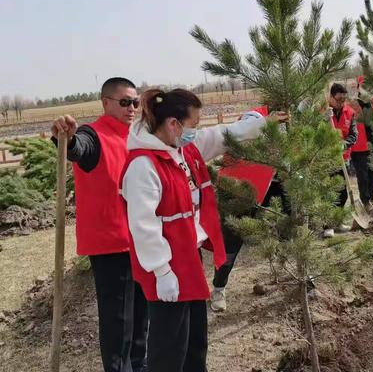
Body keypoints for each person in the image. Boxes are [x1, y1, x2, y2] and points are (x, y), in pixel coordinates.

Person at [120, 88, 287, 372]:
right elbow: (143, 226)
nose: (196, 131)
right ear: (174, 124)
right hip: (166, 268)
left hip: (188, 259)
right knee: (169, 348)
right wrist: (162, 272)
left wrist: (263, 123)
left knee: (195, 341)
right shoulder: (144, 166)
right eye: (193, 125)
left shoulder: (182, 149)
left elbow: (222, 134)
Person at [51, 77, 148, 372]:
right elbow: (78, 148)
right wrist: (65, 138)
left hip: (141, 240)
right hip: (111, 244)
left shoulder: (137, 136)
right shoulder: (95, 135)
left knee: (141, 315)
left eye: (135, 102)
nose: (131, 108)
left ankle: (139, 365)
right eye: (124, 102)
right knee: (119, 321)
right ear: (106, 103)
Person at [210, 108, 290, 313]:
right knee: (229, 250)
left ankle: (292, 276)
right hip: (235, 206)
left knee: (283, 238)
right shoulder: (231, 152)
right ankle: (219, 289)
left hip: (262, 202)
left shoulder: (270, 149)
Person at [326, 82, 358, 237]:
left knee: (342, 193)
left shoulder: (349, 113)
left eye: (343, 100)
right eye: (338, 99)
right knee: (329, 192)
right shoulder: (323, 113)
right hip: (325, 159)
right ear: (330, 97)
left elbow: (354, 135)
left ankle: (337, 222)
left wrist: (344, 145)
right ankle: (327, 226)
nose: (341, 103)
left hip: (343, 158)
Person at [350, 76, 373, 210]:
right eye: (364, 86)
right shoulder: (352, 104)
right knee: (363, 175)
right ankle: (365, 200)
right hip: (359, 145)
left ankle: (371, 198)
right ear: (359, 87)